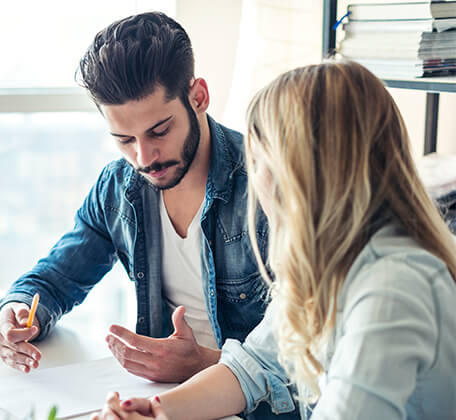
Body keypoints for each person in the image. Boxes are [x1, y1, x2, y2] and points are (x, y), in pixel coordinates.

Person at [94, 60, 456, 420]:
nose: (252, 174)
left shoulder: (393, 287)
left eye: (257, 156)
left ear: (298, 170)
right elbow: (252, 365)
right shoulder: (335, 259)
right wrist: (156, 412)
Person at [0, 13, 292, 419]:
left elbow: (307, 361)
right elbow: (53, 280)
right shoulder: (119, 188)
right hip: (155, 405)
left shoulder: (270, 187)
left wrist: (203, 362)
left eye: (159, 131)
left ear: (199, 97)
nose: (144, 158)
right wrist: (17, 312)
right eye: (124, 139)